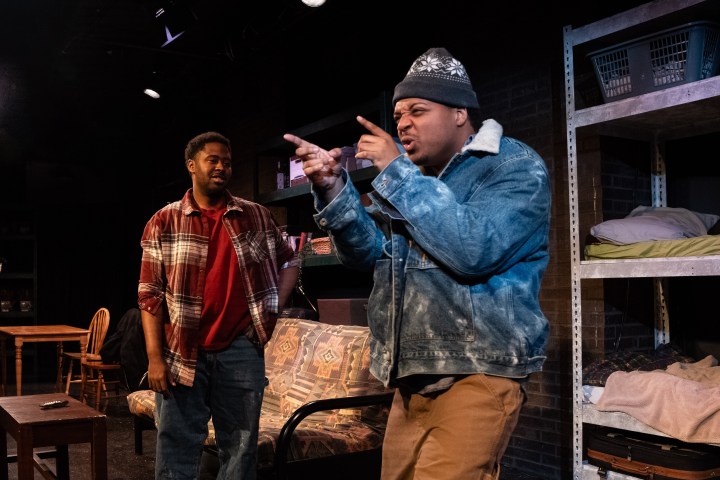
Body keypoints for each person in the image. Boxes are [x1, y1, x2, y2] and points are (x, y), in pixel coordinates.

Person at [284, 47, 551, 479]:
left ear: (460, 113)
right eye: (398, 114)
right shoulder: (416, 181)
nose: (403, 123)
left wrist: (396, 171)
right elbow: (368, 255)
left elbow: (473, 250)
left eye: (417, 110)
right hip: (412, 379)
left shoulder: (512, 166)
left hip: (476, 374)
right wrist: (334, 189)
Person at [138, 131, 300, 480]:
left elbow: (290, 260)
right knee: (176, 449)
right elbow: (150, 295)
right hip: (183, 350)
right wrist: (154, 358)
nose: (221, 167)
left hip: (241, 348)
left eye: (226, 162)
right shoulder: (164, 221)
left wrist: (273, 307)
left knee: (241, 448)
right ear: (191, 165)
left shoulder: (255, 215)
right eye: (212, 160)